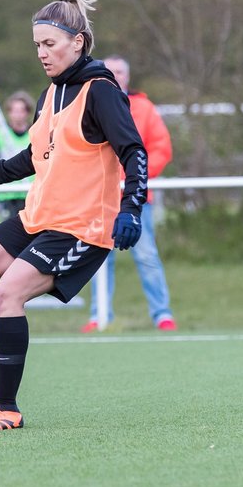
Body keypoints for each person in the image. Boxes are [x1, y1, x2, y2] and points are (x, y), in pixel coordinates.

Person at [0, 0, 147, 432]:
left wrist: (131, 208)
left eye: (50, 43)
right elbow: (34, 156)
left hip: (81, 227)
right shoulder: (50, 94)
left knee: (9, 293)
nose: (42, 52)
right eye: (36, 44)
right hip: (37, 217)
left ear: (77, 42)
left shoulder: (100, 89)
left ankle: (6, 407)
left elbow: (133, 151)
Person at [81, 55, 177, 333]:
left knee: (147, 256)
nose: (116, 75)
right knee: (98, 258)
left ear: (128, 75)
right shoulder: (90, 104)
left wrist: (136, 177)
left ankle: (162, 315)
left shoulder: (144, 108)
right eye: (110, 71)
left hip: (135, 199)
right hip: (99, 198)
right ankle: (99, 316)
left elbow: (161, 148)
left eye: (120, 71)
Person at [0, 91, 36, 218]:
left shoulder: (35, 132)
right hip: (7, 193)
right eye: (14, 110)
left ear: (27, 112)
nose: (17, 114)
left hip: (31, 192)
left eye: (21, 110)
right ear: (9, 112)